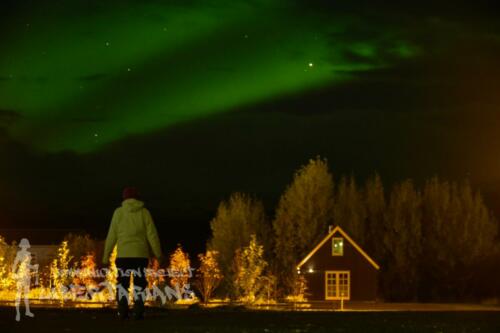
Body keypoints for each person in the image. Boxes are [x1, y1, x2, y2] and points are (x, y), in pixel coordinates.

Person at [103, 187, 162, 320]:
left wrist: (105, 256)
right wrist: (158, 254)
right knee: (139, 284)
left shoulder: (118, 213)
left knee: (122, 284)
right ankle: (138, 312)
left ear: (124, 198)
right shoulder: (144, 213)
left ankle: (122, 312)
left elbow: (111, 235)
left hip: (123, 256)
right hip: (140, 256)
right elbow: (152, 235)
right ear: (137, 198)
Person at [12, 238, 38, 322]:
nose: (25, 246)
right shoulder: (19, 253)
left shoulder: (29, 254)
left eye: (26, 245)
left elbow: (28, 265)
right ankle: (18, 313)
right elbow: (15, 263)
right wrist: (13, 273)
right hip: (21, 275)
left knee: (26, 294)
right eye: (24, 245)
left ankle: (27, 311)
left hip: (26, 276)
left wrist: (34, 267)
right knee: (18, 293)